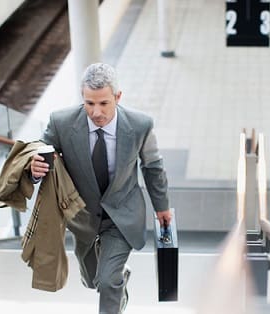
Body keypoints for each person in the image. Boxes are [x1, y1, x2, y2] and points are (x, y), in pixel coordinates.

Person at [30, 62, 171, 313]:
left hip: (122, 215)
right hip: (83, 216)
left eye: (103, 103)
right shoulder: (61, 123)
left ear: (117, 97)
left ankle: (115, 288)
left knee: (107, 282)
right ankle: (118, 281)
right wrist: (33, 169)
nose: (96, 112)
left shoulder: (140, 125)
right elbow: (39, 152)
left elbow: (152, 167)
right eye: (89, 103)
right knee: (92, 279)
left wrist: (162, 208)